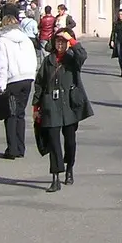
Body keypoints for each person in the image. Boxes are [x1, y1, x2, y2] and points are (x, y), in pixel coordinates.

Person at [33, 29, 93, 193]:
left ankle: (69, 168)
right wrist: (35, 107)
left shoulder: (73, 59)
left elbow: (83, 55)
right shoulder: (48, 60)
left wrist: (72, 41)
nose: (59, 45)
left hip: (69, 105)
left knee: (70, 141)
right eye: (57, 41)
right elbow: (39, 83)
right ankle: (55, 177)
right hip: (50, 105)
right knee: (53, 141)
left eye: (63, 42)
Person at [0, 3, 39, 159]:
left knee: (10, 115)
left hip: (12, 79)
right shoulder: (25, 39)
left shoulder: (2, 40)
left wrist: (1, 85)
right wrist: (31, 74)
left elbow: (1, 64)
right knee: (20, 114)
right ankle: (20, 148)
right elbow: (33, 58)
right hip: (27, 78)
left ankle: (12, 149)